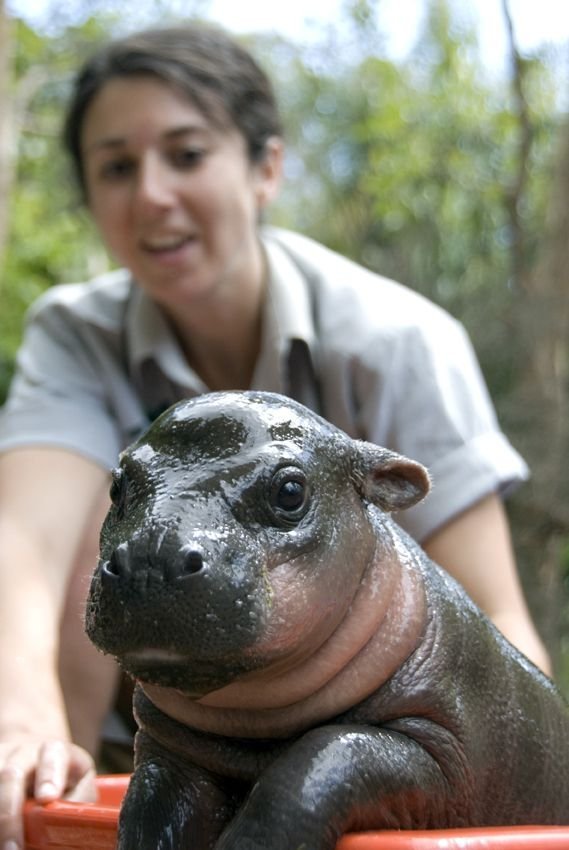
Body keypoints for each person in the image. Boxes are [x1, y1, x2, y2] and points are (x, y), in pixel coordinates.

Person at [0, 23, 551, 850]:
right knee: (100, 528)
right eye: (116, 166)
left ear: (265, 168)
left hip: (368, 704)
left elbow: (494, 607)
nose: (151, 194)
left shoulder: (397, 339)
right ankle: (51, 800)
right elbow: (27, 538)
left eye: (185, 155)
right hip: (177, 724)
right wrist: (19, 722)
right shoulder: (75, 331)